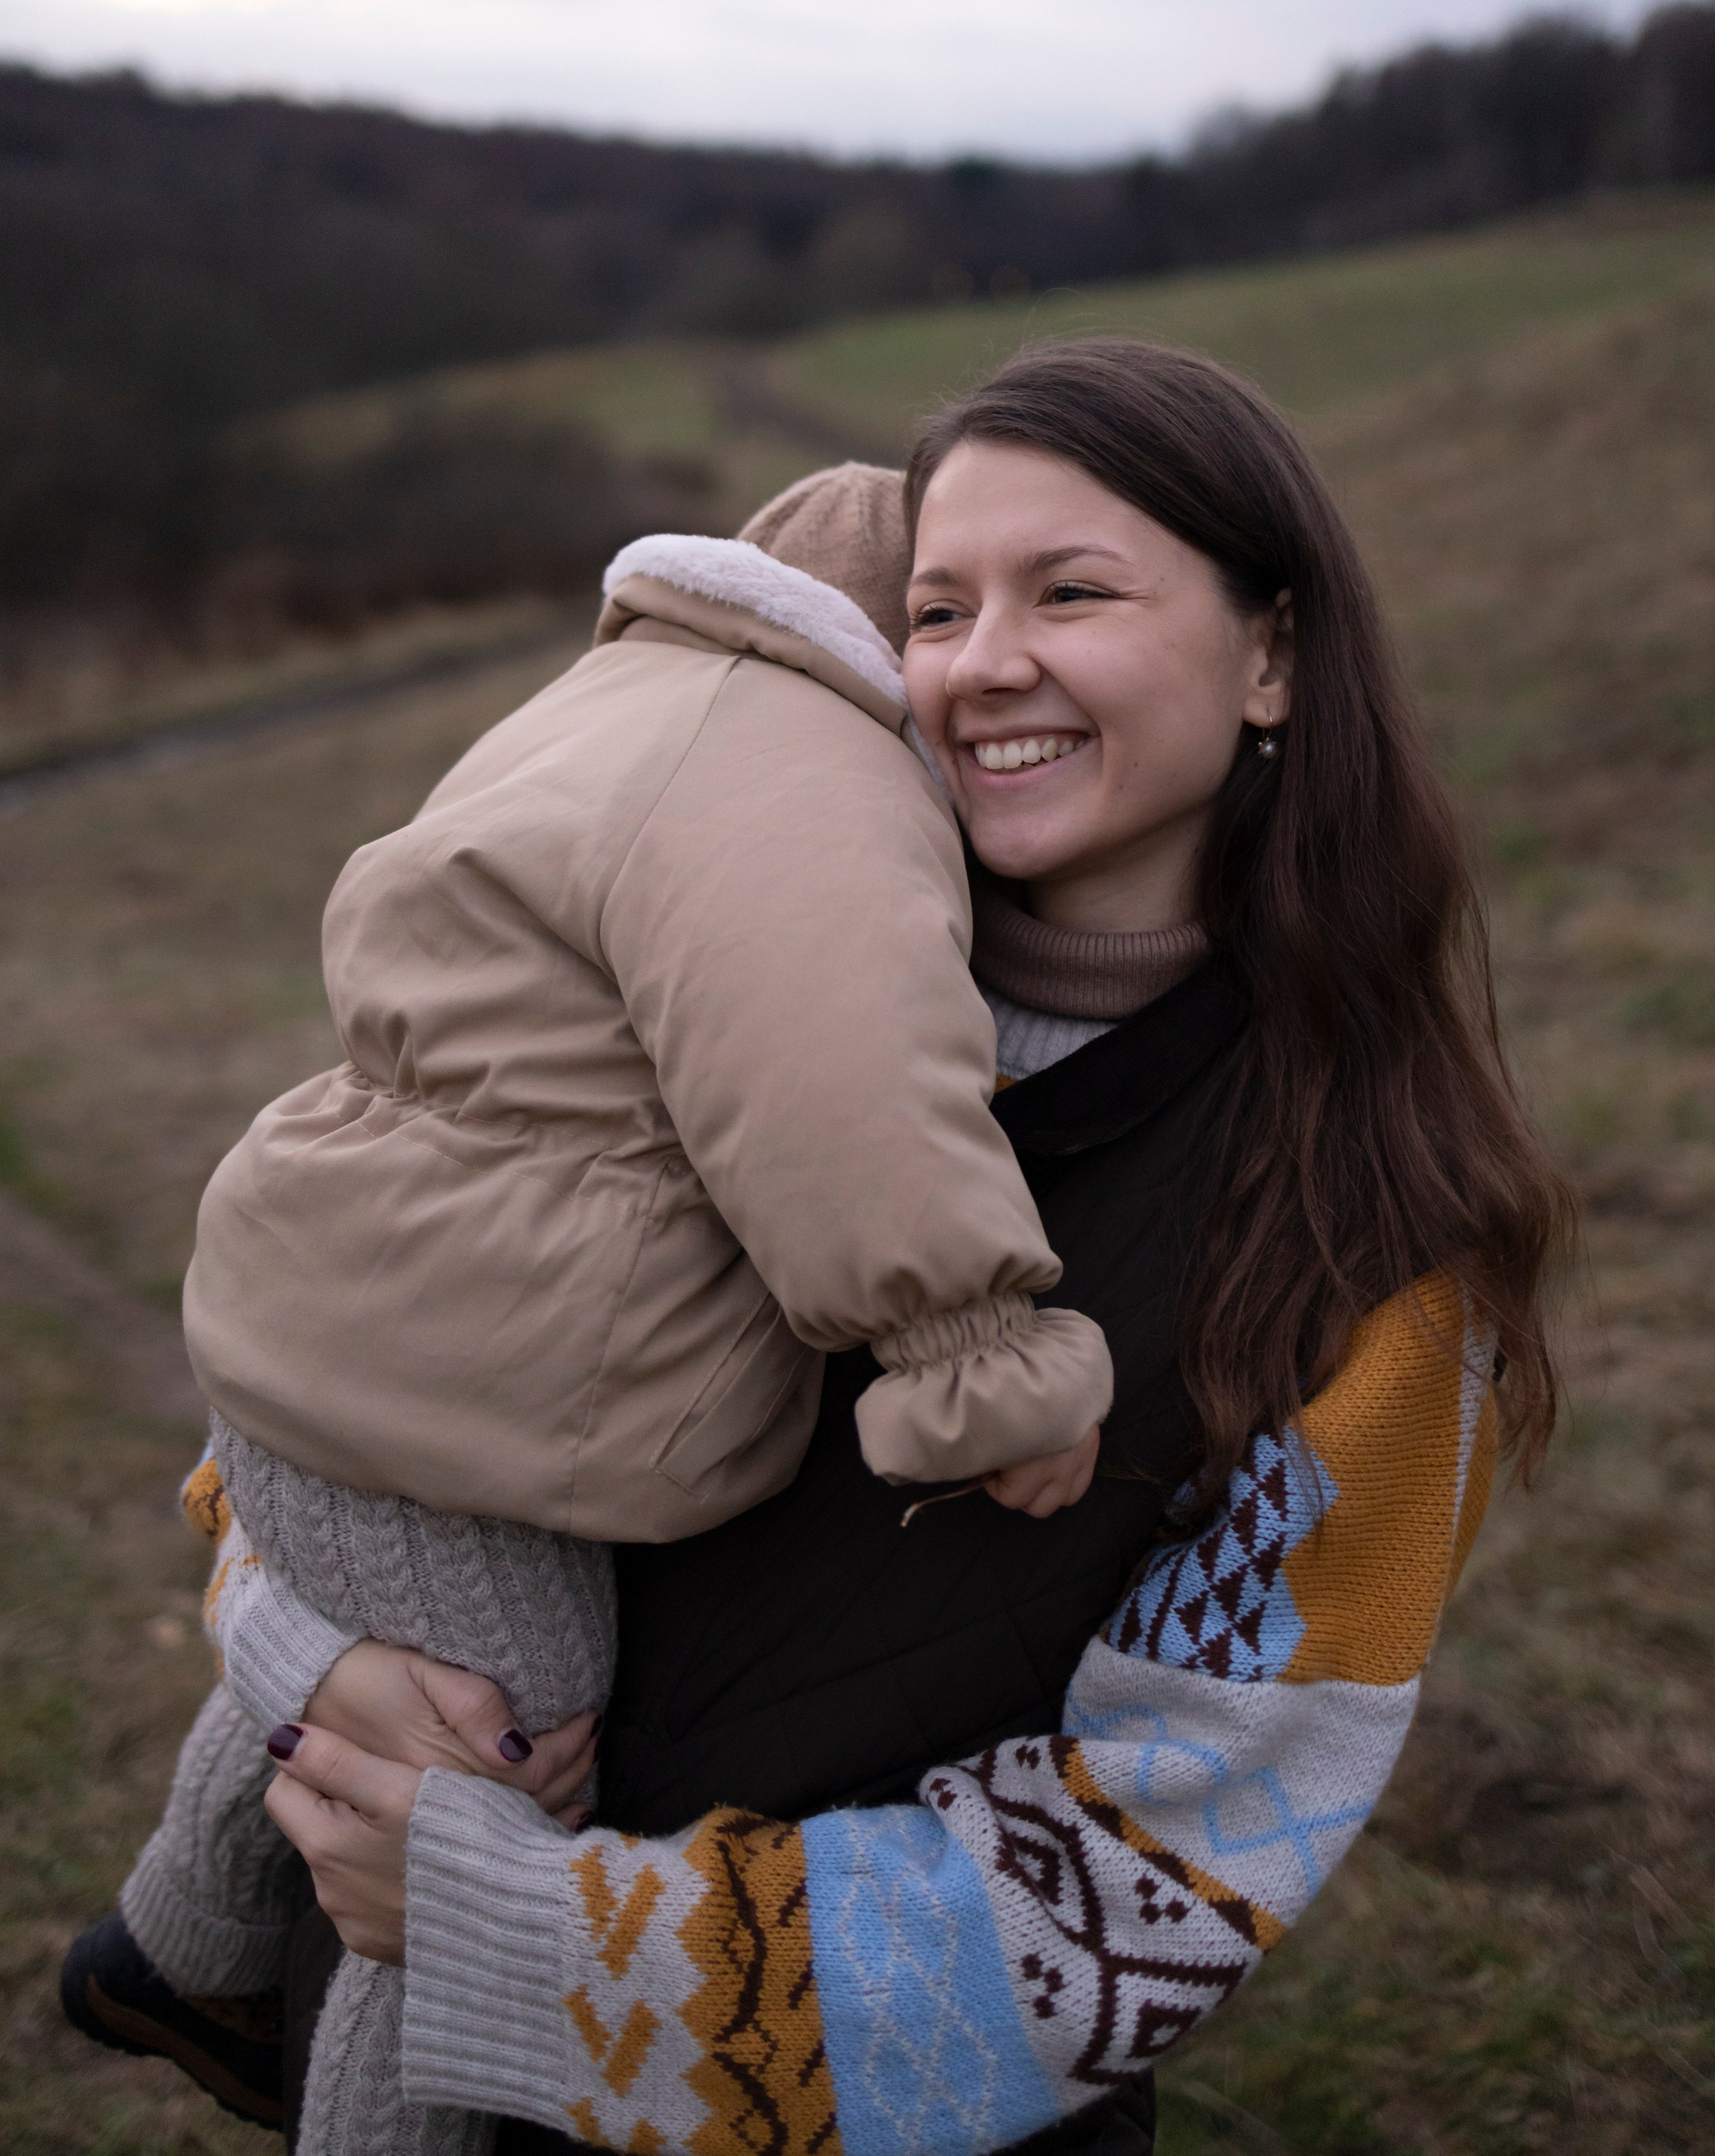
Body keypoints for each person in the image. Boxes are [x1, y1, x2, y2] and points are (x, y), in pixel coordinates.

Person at [169, 339, 1574, 2155]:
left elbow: (1154, 1878)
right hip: (394, 2045)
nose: (984, 663)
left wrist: (525, 1933)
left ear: (1275, 654)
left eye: (1072, 591)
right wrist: (314, 1664)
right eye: (936, 608)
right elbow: (313, 1413)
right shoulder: (711, 986)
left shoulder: (1376, 1245)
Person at [60, 463, 1117, 2156]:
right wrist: (979, 1363)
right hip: (468, 1372)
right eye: (942, 620)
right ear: (880, 642)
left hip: (345, 1299)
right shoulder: (809, 782)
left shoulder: (611, 691)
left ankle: (181, 1950)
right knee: (489, 1787)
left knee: (402, 1682)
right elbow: (845, 1085)